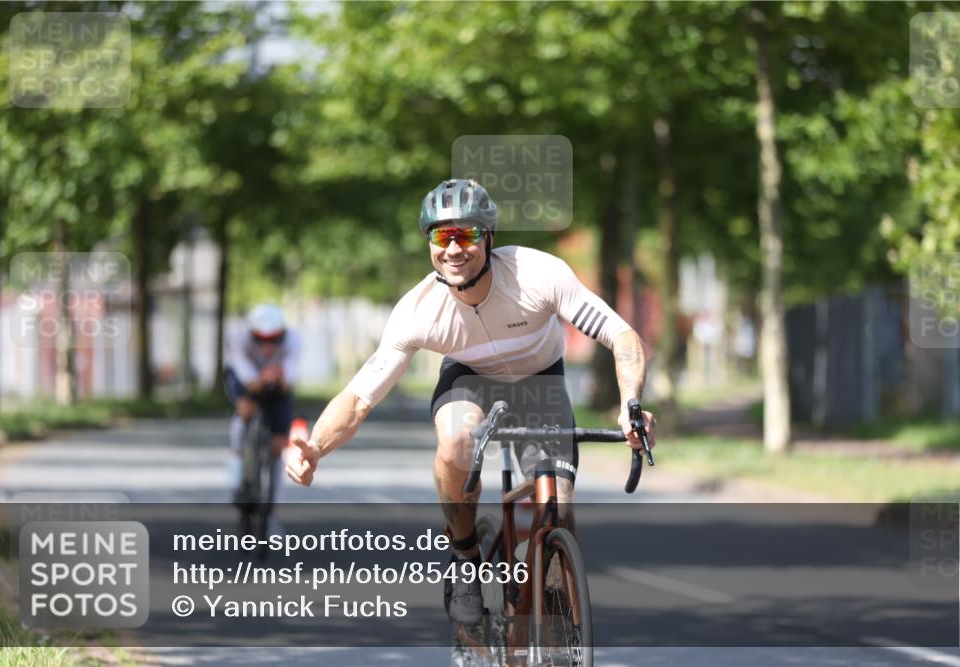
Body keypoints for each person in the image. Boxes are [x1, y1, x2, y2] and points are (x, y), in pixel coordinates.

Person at [286, 179, 655, 625]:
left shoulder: (539, 275)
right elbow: (361, 396)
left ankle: (551, 606)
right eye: (442, 236)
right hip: (470, 382)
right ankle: (465, 555)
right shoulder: (418, 311)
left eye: (468, 234)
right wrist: (317, 448)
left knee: (557, 507)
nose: (454, 249)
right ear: (429, 244)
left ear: (489, 238)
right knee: (458, 440)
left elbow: (621, 335)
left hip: (540, 381)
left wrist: (630, 404)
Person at [225, 304, 301, 511]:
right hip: (244, 377)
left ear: (282, 335)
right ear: (251, 334)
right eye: (260, 339)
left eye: (274, 340)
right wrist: (258, 380)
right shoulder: (238, 338)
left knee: (278, 444)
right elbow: (244, 374)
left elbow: (289, 379)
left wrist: (279, 377)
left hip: (277, 379)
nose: (267, 346)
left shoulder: (293, 340)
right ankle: (237, 474)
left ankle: (273, 502)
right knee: (245, 411)